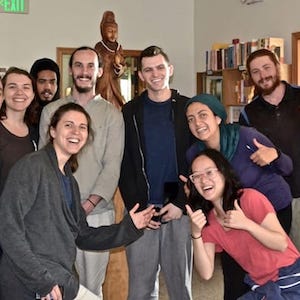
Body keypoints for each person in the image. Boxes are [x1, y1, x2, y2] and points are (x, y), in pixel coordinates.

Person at [0, 102, 154, 300]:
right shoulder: (32, 166)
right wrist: (41, 282)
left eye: (82, 127)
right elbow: (8, 229)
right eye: (68, 125)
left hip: (56, 278)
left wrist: (129, 226)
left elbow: (84, 235)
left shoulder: (69, 180)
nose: (76, 132)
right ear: (53, 131)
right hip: (28, 282)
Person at [184, 93, 293, 300]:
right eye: (190, 119)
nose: (197, 123)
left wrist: (275, 155)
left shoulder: (245, 136)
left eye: (203, 115)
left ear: (217, 117)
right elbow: (197, 190)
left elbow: (287, 167)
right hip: (226, 216)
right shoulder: (195, 155)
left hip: (269, 209)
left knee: (268, 264)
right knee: (236, 275)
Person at [39, 46, 124, 298]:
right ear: (70, 70)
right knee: (53, 285)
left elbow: (112, 166)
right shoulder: (51, 112)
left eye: (90, 66)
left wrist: (85, 205)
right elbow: (45, 163)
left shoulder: (112, 114)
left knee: (89, 288)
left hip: (95, 215)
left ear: (99, 71)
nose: (84, 72)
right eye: (78, 65)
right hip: (55, 215)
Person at [119, 45, 194, 300]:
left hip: (176, 206)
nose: (155, 74)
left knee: (179, 286)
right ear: (140, 75)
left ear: (170, 70)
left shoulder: (187, 108)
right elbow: (125, 164)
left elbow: (197, 160)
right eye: (148, 69)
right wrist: (136, 207)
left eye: (160, 67)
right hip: (143, 210)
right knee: (140, 289)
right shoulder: (130, 112)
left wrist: (181, 204)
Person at [186, 148, 300, 299]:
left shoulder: (250, 198)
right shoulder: (210, 223)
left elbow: (281, 244)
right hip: (262, 286)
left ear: (223, 172)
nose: (203, 180)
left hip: (290, 277)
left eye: (209, 172)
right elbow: (206, 273)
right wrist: (196, 234)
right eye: (197, 176)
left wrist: (246, 224)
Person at [239, 48, 300, 251]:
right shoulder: (248, 113)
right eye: (255, 71)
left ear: (277, 67)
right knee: (283, 261)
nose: (263, 75)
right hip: (274, 200)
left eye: (266, 67)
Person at [0, 67, 38, 195]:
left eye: (26, 87)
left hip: (26, 211)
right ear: (3, 93)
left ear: (33, 95)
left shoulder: (35, 133)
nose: (19, 92)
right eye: (12, 87)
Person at [94, 10, 126, 108]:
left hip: (114, 81)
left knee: (116, 105)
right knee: (100, 104)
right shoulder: (99, 46)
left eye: (115, 32)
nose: (113, 35)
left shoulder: (118, 47)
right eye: (110, 31)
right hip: (102, 81)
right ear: (104, 32)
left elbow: (123, 65)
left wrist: (119, 67)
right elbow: (95, 64)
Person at [30, 58, 60, 129]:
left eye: (52, 82)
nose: (47, 87)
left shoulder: (64, 112)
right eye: (42, 81)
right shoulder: (24, 114)